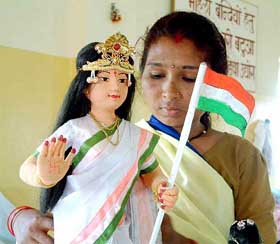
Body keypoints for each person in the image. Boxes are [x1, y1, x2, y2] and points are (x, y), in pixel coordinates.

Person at [10, 12, 277, 244]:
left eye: (189, 78)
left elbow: (261, 236)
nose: (169, 92)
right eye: (157, 75)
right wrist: (20, 218)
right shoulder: (119, 140)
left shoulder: (242, 156)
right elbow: (83, 211)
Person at [14, 32, 178, 244]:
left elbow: (152, 173)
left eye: (121, 79)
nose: (115, 87)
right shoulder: (74, 130)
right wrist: (43, 177)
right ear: (85, 87)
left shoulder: (136, 136)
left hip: (119, 229)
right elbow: (26, 168)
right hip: (78, 228)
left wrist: (162, 188)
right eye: (104, 78)